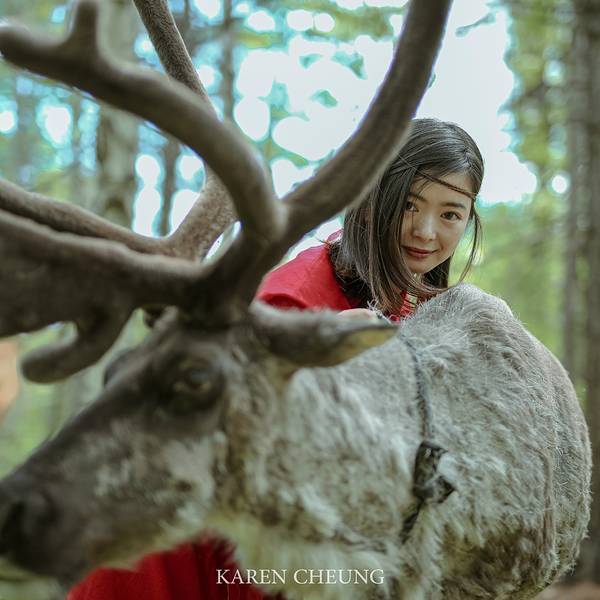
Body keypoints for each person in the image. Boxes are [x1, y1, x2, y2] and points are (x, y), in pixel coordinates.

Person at [67, 117, 483, 600]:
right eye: (408, 204)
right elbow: (252, 492)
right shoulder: (291, 305)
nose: (426, 231)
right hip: (180, 562)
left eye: (450, 214)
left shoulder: (399, 303)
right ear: (371, 201)